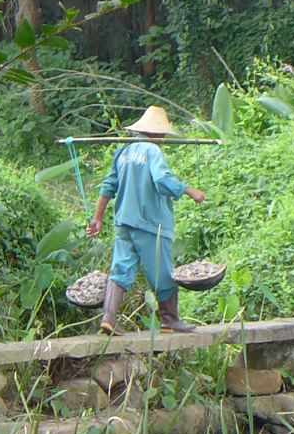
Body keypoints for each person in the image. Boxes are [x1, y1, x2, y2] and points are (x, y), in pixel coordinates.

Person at [86, 106, 205, 334]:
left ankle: (108, 318)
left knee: (120, 269)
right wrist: (190, 191)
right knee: (162, 272)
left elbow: (108, 186)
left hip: (123, 222)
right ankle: (169, 319)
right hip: (150, 223)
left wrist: (97, 218)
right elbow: (162, 179)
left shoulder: (123, 152)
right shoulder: (153, 151)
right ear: (158, 133)